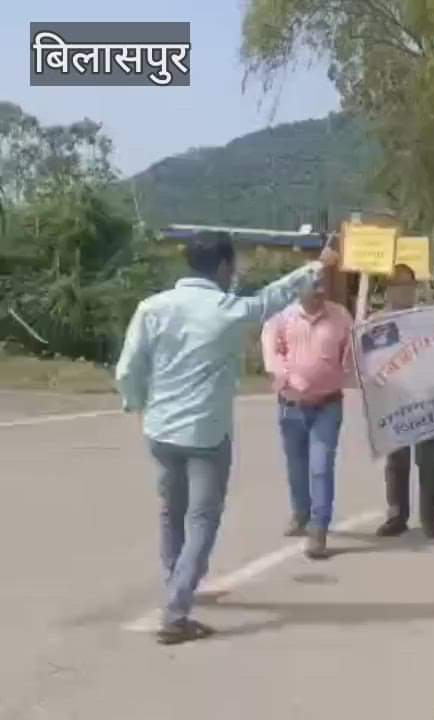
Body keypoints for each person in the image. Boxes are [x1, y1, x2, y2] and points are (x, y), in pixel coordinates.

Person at [116, 230, 339, 644]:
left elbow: (129, 367)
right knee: (202, 518)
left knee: (171, 511)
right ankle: (177, 611)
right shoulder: (225, 309)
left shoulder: (152, 307)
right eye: (232, 266)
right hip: (205, 434)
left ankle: (177, 583)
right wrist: (318, 265)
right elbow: (273, 298)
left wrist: (137, 403)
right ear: (222, 267)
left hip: (161, 430)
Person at [261, 272, 354, 560]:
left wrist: (348, 373)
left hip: (328, 405)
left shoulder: (341, 317)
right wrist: (292, 379)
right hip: (291, 406)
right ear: (298, 290)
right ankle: (301, 512)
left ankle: (318, 529)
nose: (320, 291)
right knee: (297, 466)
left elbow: (352, 353)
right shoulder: (281, 319)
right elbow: (272, 357)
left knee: (321, 465)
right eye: (314, 286)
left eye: (322, 285)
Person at [366, 265, 434, 539]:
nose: (404, 291)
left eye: (408, 285)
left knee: (428, 462)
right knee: (397, 461)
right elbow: (370, 361)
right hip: (394, 401)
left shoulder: (427, 320)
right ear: (389, 290)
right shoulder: (377, 324)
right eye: (398, 285)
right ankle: (397, 514)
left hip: (425, 399)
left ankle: (429, 516)